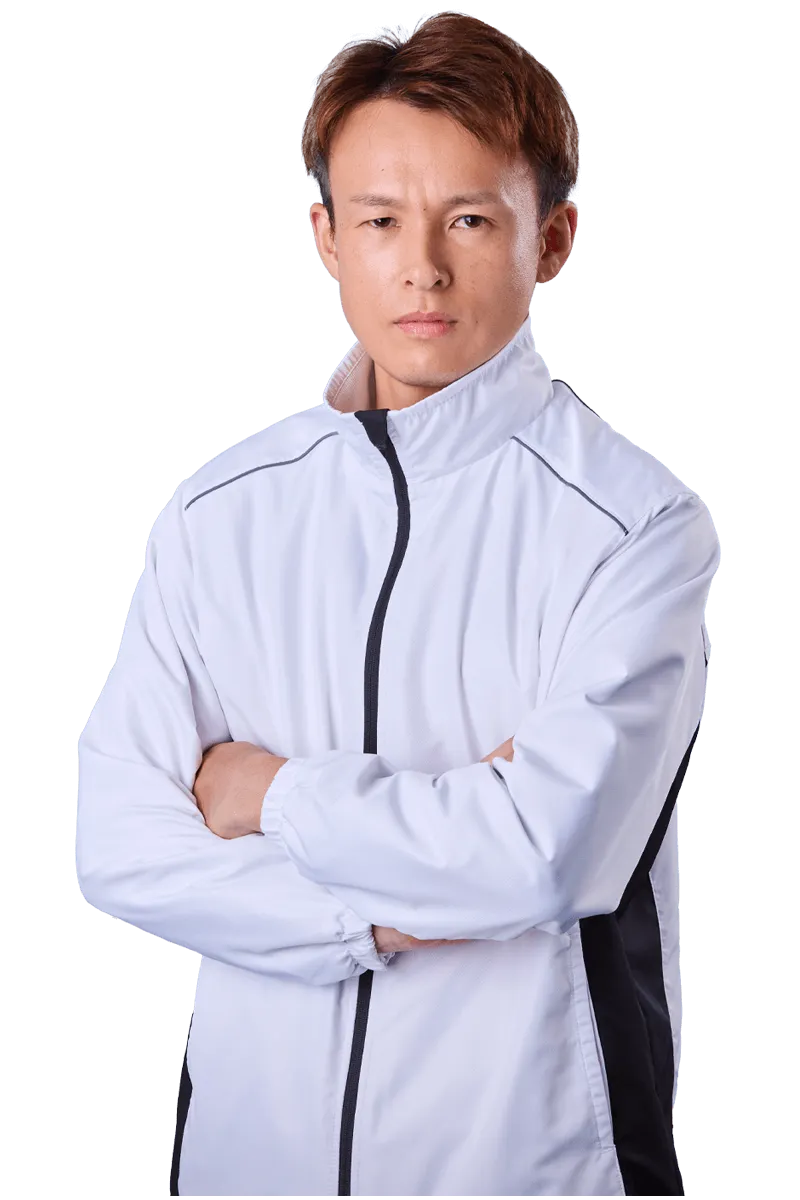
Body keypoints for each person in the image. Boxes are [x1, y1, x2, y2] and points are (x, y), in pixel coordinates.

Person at [75, 12, 714, 1198]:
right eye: (377, 220)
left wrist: (266, 793)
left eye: (468, 219)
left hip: (530, 1166)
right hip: (247, 1167)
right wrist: (375, 919)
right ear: (323, 234)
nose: (420, 266)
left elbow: (542, 854)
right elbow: (115, 845)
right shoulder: (218, 512)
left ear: (551, 237)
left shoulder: (635, 525)